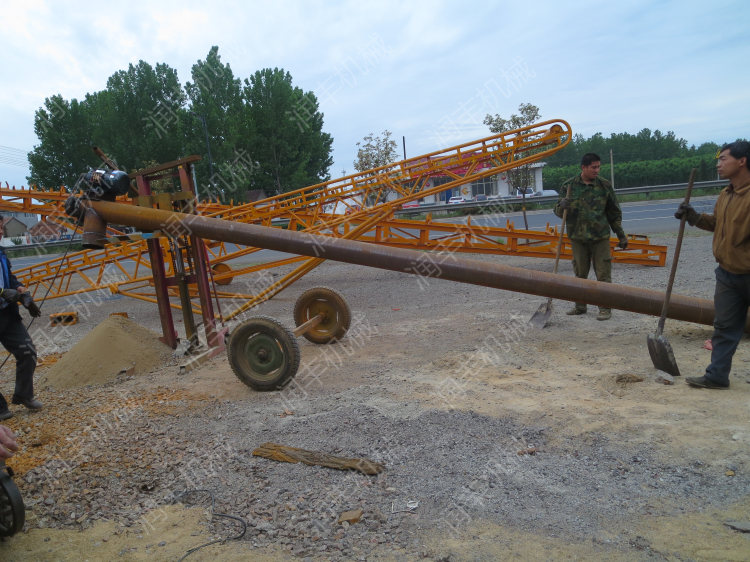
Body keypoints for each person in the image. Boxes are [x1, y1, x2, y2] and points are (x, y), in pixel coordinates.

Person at [674, 140, 750, 389]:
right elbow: (717, 224)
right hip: (728, 274)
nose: (718, 164)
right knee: (724, 327)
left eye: (723, 159)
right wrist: (694, 217)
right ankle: (716, 376)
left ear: (742, 161)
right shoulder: (726, 194)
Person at [554, 153, 629, 321]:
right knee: (580, 274)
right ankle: (580, 306)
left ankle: (605, 308)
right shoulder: (569, 186)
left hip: (599, 237)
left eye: (598, 167)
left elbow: (614, 213)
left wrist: (621, 235)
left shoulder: (604, 186)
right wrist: (561, 206)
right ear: (583, 167)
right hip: (578, 238)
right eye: (593, 167)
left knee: (603, 274)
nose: (597, 170)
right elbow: (559, 212)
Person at [0, 243, 43, 420]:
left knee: (27, 352)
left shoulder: (1, 253)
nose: (0, 232)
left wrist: (19, 289)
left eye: (2, 228)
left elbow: (9, 277)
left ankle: (23, 395)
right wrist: (2, 292)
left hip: (7, 314)